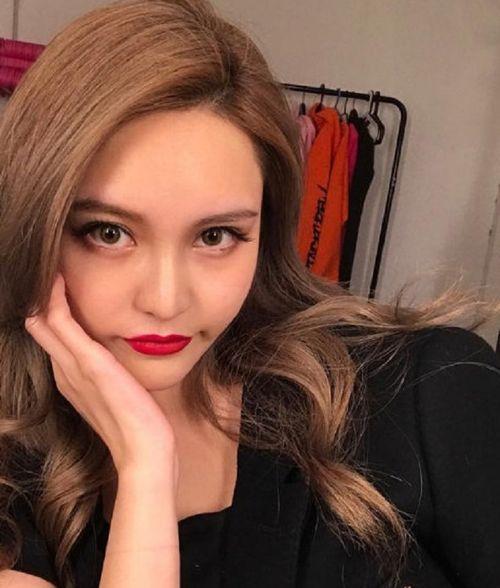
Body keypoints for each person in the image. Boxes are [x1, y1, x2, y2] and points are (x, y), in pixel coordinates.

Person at [0, 1, 499, 587]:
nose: (166, 300)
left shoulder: (425, 389)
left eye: (215, 236)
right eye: (108, 233)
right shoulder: (12, 465)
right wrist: (145, 468)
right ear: (33, 226)